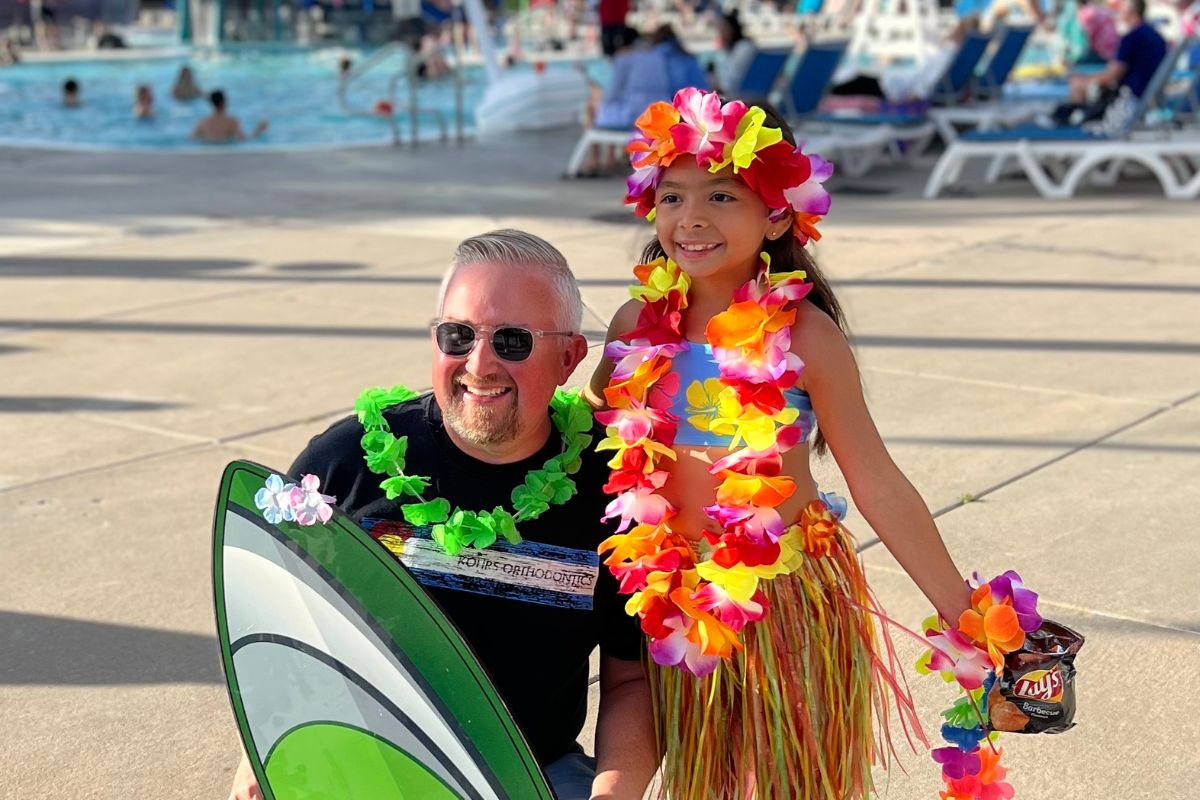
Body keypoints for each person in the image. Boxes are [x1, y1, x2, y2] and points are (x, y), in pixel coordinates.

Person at [587, 88, 976, 797]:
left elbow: (876, 479)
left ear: (775, 214)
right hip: (677, 600)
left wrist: (964, 612)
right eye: (672, 197)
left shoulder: (806, 337)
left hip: (783, 602)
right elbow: (596, 416)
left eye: (722, 197)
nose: (691, 218)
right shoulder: (633, 325)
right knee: (705, 781)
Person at [227, 230, 658, 800]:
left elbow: (630, 678)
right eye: (458, 336)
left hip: (531, 772)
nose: (479, 365)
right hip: (360, 762)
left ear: (569, 357)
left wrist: (613, 793)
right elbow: (281, 624)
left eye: (512, 341)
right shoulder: (344, 463)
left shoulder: (615, 490)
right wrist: (259, 755)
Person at [579, 25, 709, 176]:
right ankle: (609, 159)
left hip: (637, 117)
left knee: (593, 107)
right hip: (662, 112)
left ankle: (595, 160)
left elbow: (612, 94)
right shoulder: (657, 56)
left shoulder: (625, 58)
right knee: (604, 107)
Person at [1055, 0, 1167, 124]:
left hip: (1129, 98)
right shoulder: (1155, 36)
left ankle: (1071, 124)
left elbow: (1112, 75)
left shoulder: (1132, 38)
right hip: (1148, 94)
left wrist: (1084, 81)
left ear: (1128, 12)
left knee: (1078, 85)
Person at [192, 90, 269, 143]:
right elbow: (244, 139)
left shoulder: (203, 122)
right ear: (223, 102)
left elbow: (192, 139)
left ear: (212, 103)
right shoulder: (231, 121)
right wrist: (258, 130)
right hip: (225, 154)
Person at [710, 11, 756, 95]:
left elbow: (728, 84)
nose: (721, 33)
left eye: (724, 28)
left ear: (733, 28)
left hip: (741, 95)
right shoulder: (729, 49)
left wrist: (721, 51)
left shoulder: (744, 47)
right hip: (736, 93)